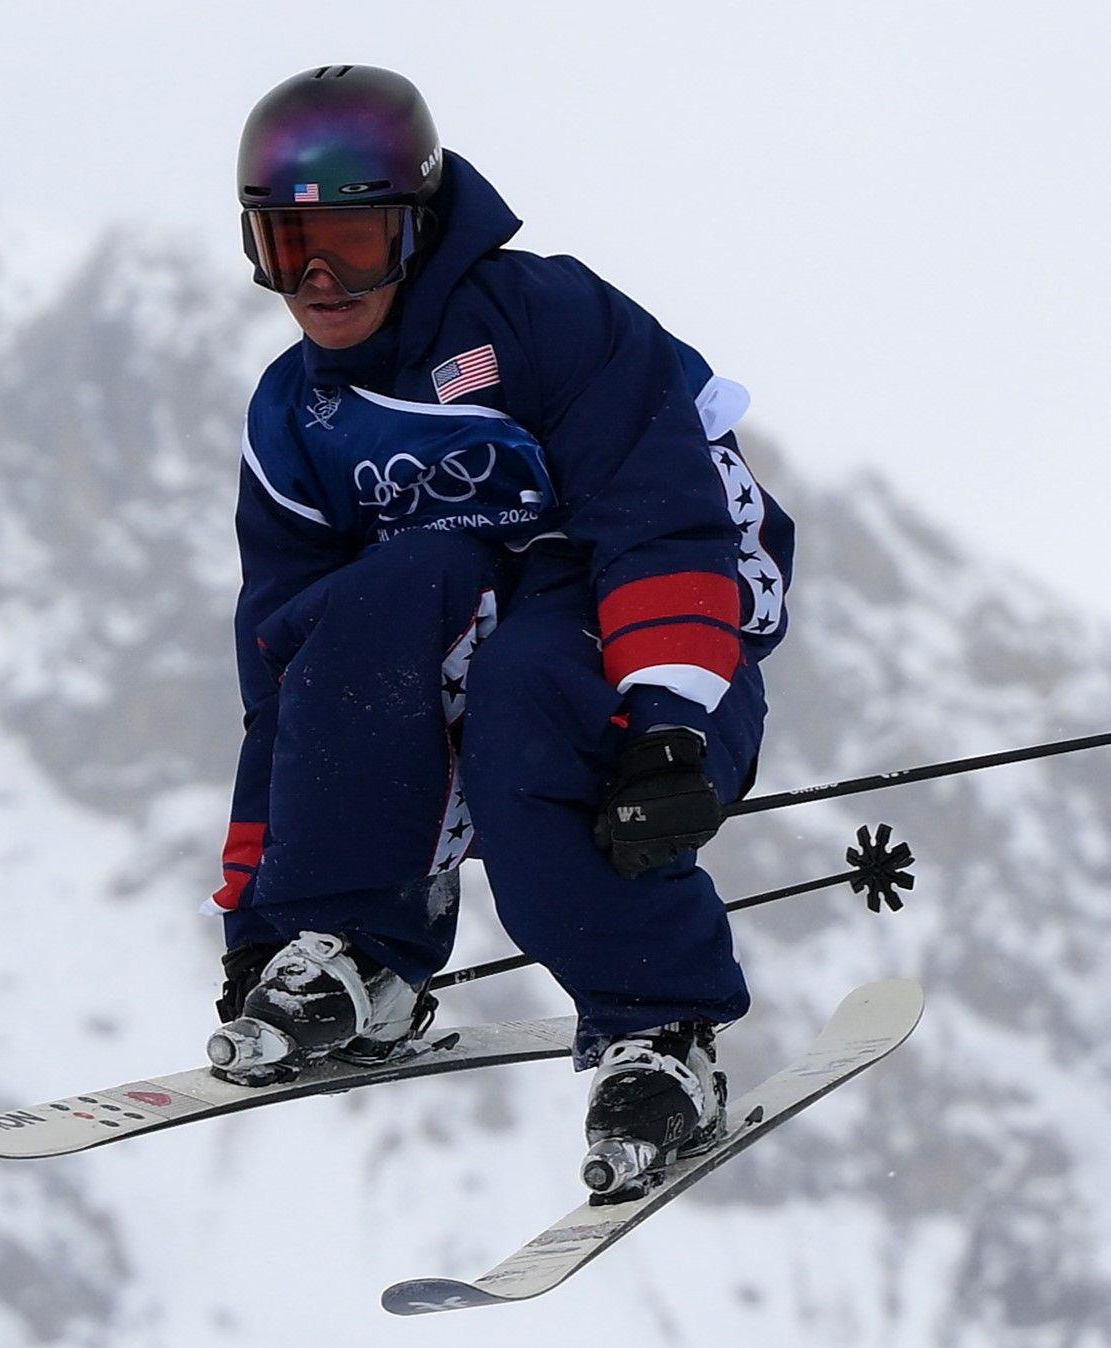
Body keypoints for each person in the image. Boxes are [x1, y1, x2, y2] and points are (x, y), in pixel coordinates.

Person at [205, 64, 794, 1194]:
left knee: (530, 689)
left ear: (419, 228)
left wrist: (670, 722)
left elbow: (664, 519)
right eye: (286, 248)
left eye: (354, 244)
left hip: (653, 653)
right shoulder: (295, 420)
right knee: (383, 595)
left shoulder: (545, 319)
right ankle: (354, 953)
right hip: (457, 647)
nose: (320, 281)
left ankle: (658, 1029)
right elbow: (288, 673)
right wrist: (259, 911)